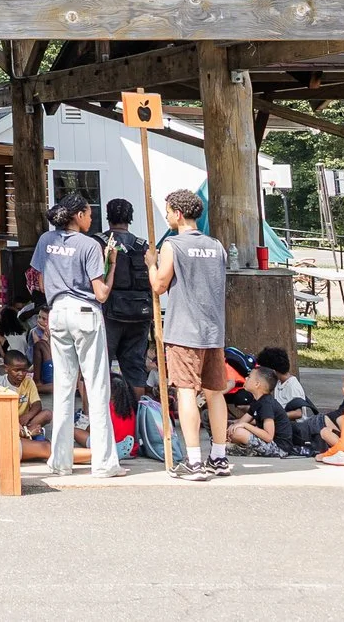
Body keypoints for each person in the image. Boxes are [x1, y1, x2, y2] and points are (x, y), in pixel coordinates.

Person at [35, 195, 122, 479]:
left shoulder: (46, 240)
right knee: (97, 387)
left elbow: (40, 281)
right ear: (78, 215)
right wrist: (112, 265)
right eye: (88, 213)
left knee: (63, 387)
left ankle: (60, 461)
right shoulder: (90, 245)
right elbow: (101, 293)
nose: (91, 218)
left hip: (57, 311)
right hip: (86, 312)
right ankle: (105, 463)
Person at [149, 187, 231, 480]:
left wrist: (151, 264)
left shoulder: (174, 245)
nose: (167, 215)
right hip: (213, 330)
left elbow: (159, 284)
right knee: (215, 393)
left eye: (169, 210)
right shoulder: (216, 246)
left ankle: (193, 461)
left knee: (186, 392)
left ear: (178, 213)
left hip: (185, 330)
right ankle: (219, 456)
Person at [101, 199, 154, 388]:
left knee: (99, 367)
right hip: (140, 314)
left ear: (108, 217)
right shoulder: (143, 245)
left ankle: (95, 415)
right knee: (135, 366)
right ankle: (138, 414)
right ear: (130, 218)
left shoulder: (100, 242)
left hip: (109, 313)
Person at [228, 365, 289, 457]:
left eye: (249, 377)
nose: (246, 378)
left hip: (278, 448)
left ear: (257, 384)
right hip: (265, 442)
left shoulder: (267, 404)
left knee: (238, 433)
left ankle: (238, 448)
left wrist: (245, 425)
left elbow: (268, 437)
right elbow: (241, 422)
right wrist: (232, 426)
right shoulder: (257, 401)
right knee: (233, 431)